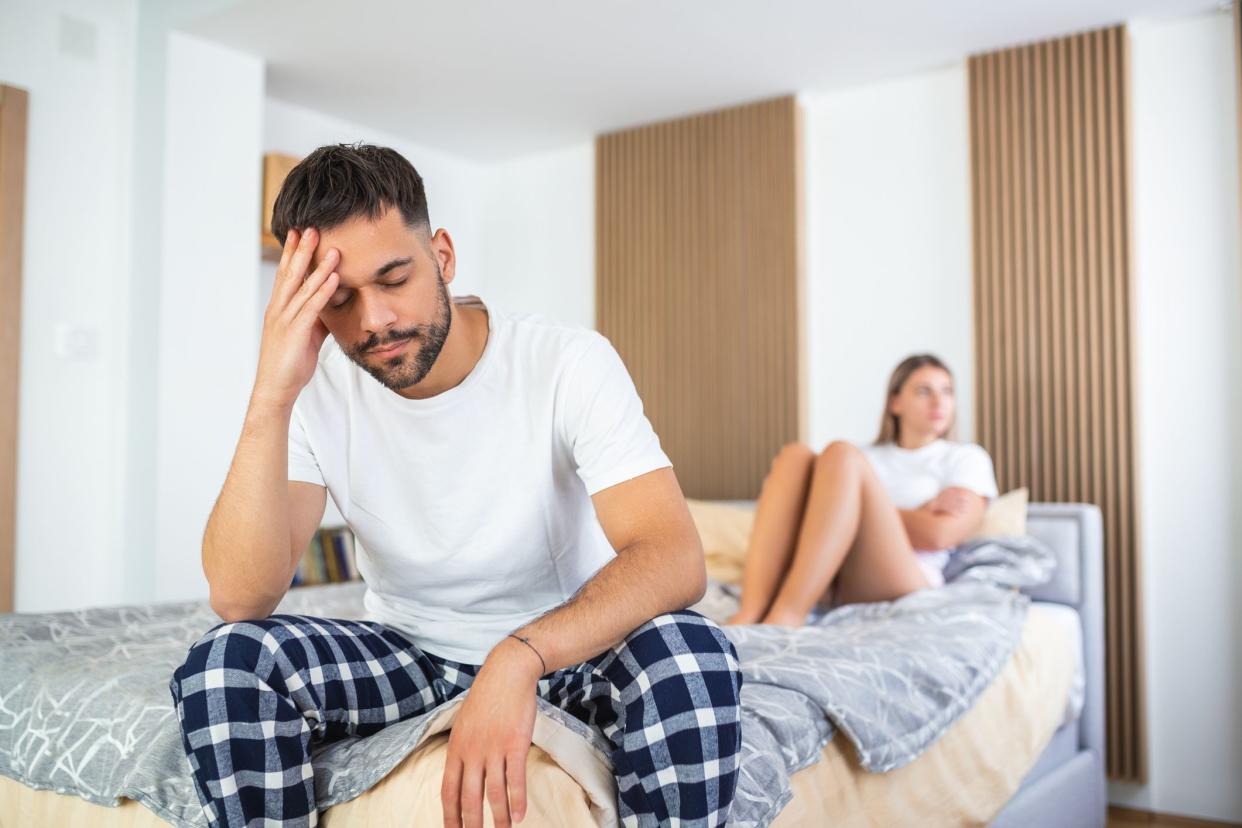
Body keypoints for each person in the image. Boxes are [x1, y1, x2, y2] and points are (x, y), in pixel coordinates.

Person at [169, 143, 743, 828]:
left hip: (573, 652)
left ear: (442, 255)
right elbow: (240, 595)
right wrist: (271, 393)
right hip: (410, 652)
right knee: (225, 664)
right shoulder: (311, 389)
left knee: (691, 654)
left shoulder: (564, 361)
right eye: (340, 299)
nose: (374, 319)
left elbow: (674, 558)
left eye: (393, 277)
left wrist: (520, 655)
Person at [725, 354, 998, 627]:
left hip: (905, 580)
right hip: (835, 576)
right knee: (795, 455)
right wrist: (918, 512)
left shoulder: (965, 458)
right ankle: (750, 610)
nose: (939, 402)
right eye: (924, 391)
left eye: (947, 391)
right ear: (896, 402)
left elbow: (939, 535)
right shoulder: (867, 457)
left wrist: (849, 508)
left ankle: (786, 616)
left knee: (841, 454)